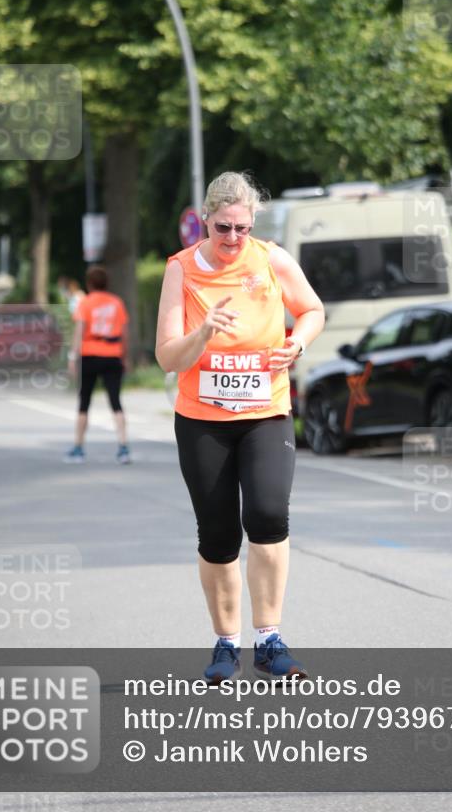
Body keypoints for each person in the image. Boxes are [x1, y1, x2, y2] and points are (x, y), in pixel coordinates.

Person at [156, 172, 324, 683]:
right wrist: (202, 333)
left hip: (265, 412)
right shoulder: (180, 271)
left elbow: (313, 309)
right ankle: (226, 645)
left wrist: (297, 343)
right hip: (202, 420)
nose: (232, 239)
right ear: (205, 221)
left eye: (242, 228)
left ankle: (269, 639)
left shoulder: (271, 259)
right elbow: (166, 356)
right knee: (219, 532)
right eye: (223, 227)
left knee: (269, 515)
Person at [64, 265, 131, 465]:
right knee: (115, 401)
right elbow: (125, 333)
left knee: (84, 402)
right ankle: (123, 446)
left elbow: (79, 331)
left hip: (90, 355)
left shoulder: (85, 303)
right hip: (112, 355)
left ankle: (78, 447)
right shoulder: (117, 303)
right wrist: (125, 357)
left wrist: (72, 357)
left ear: (89, 283)